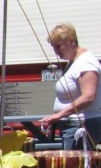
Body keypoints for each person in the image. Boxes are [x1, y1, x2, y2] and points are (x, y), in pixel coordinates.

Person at [36, 23, 101, 151]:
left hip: (81, 124)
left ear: (71, 42)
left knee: (75, 167)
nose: (56, 51)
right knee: (74, 166)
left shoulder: (85, 63)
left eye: (58, 46)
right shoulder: (74, 62)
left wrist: (59, 114)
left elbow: (88, 96)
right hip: (73, 124)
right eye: (53, 47)